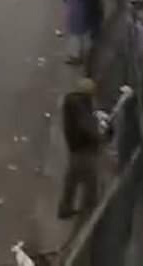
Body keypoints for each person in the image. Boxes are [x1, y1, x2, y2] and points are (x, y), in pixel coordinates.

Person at [58, 78, 102, 219]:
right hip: (84, 148)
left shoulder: (71, 103)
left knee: (72, 179)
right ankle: (89, 213)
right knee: (91, 182)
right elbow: (87, 127)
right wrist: (99, 136)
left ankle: (65, 208)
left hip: (75, 147)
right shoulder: (81, 107)